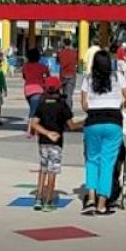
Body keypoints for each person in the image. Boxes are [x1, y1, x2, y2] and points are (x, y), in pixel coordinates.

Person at [80, 49, 126, 215]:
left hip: (93, 122)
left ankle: (90, 198)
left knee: (92, 160)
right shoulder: (118, 77)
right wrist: (118, 105)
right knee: (107, 163)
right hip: (113, 122)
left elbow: (84, 105)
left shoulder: (88, 79)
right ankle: (102, 203)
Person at [29, 76, 81, 211]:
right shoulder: (62, 105)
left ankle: (38, 199)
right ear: (59, 88)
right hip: (56, 143)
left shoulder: (42, 103)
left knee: (43, 169)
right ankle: (49, 200)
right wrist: (86, 122)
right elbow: (72, 126)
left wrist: (46, 133)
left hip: (43, 143)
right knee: (52, 171)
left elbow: (34, 123)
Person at [22, 47, 48, 134]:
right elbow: (47, 78)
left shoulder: (25, 66)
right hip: (38, 90)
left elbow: (24, 77)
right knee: (34, 111)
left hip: (28, 90)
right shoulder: (42, 67)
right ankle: (30, 130)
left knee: (34, 108)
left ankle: (34, 128)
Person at [56, 38, 79, 106]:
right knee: (69, 94)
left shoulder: (60, 52)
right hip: (72, 75)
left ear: (63, 44)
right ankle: (68, 110)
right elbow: (77, 62)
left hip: (63, 75)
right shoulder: (75, 52)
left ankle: (65, 109)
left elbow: (57, 62)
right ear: (70, 43)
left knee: (64, 94)